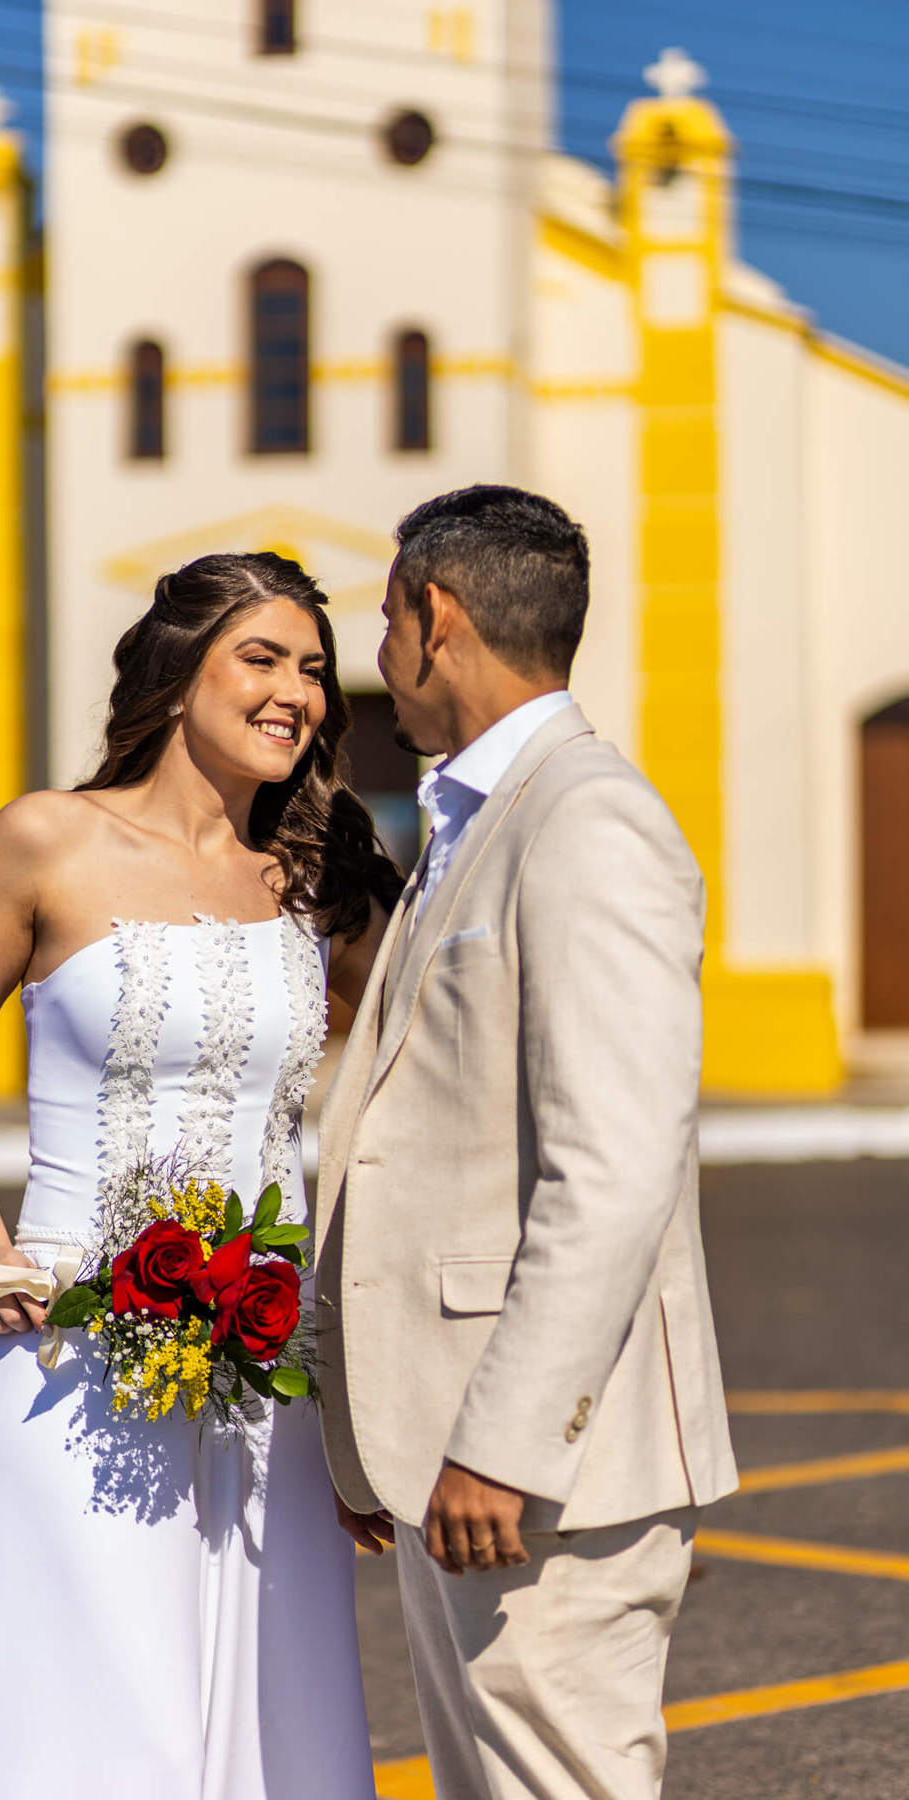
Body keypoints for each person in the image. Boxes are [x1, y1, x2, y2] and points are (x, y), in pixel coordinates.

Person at [0, 552, 400, 1800]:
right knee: (94, 1710)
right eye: (262, 658)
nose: (297, 693)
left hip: (270, 1364)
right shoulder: (45, 839)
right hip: (72, 1348)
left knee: (273, 1706)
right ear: (179, 675)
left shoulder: (317, 865)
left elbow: (413, 1052)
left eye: (315, 669)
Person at [315, 485, 738, 1800]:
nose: (379, 653)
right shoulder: (476, 815)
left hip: (537, 1470)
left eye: (387, 620)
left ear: (437, 617)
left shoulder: (587, 819)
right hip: (449, 1445)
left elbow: (614, 1168)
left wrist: (502, 1442)